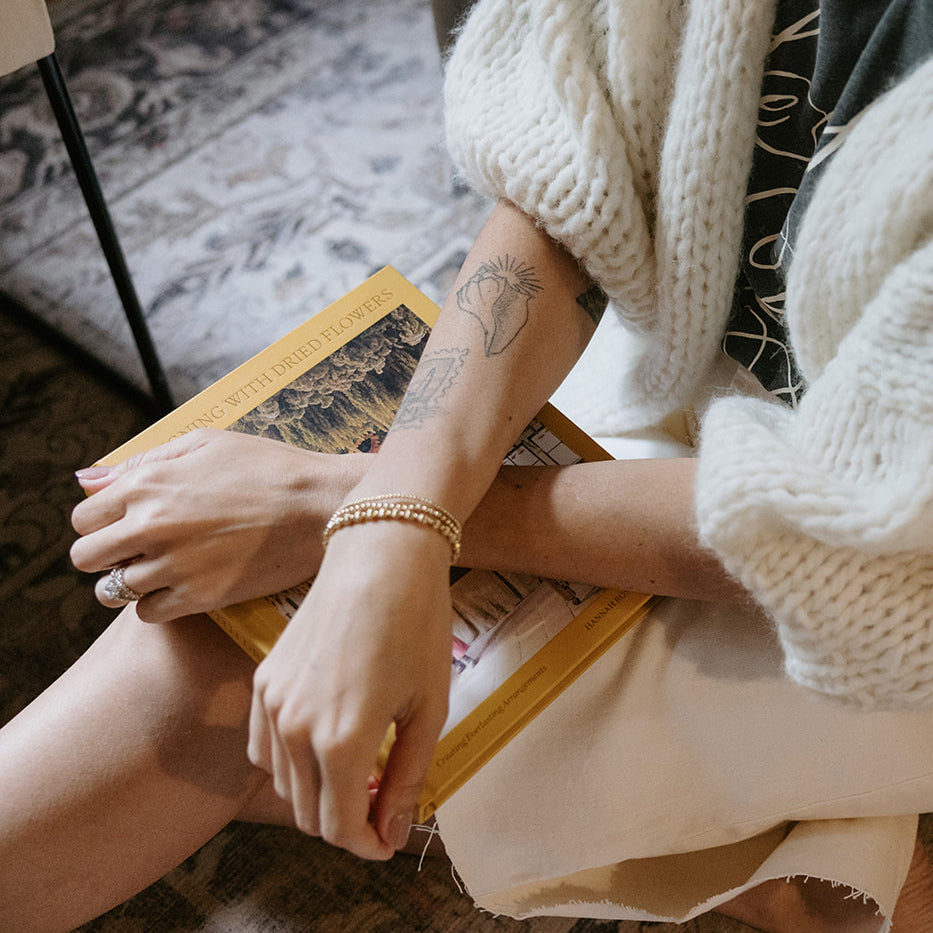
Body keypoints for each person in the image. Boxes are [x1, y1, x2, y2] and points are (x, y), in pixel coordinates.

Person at [1, 0, 932, 929]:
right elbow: (575, 149)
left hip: (880, 591)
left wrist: (355, 510)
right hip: (692, 366)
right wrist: (397, 510)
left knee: (225, 662)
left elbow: (869, 539)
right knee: (282, 634)